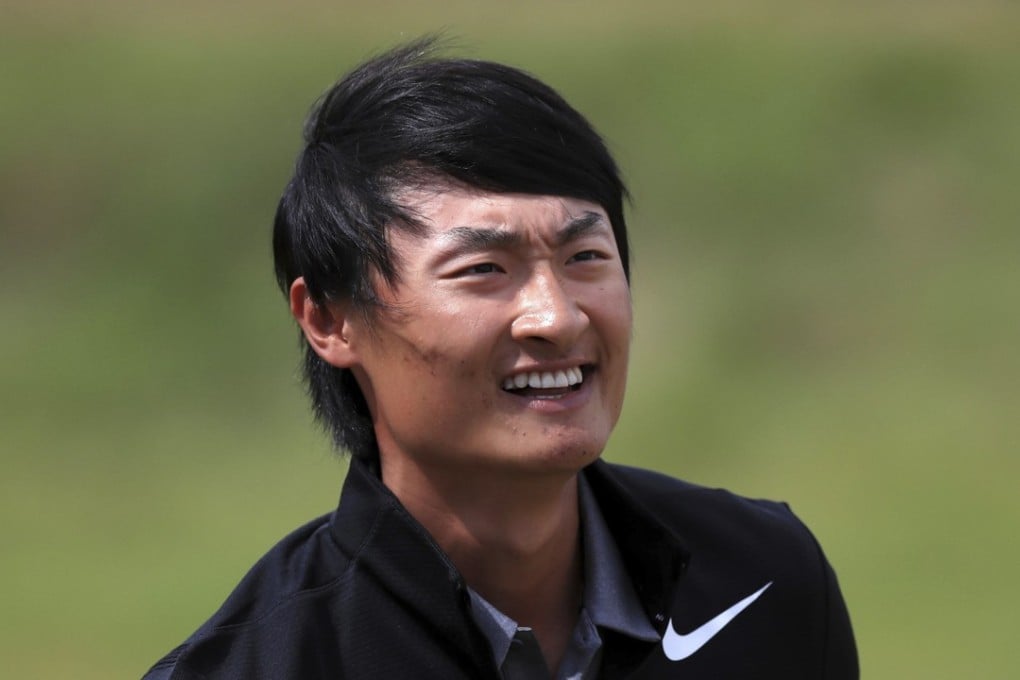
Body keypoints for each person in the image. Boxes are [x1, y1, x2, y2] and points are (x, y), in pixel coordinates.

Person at [143, 38, 858, 679]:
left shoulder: (764, 579)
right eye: (484, 269)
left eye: (585, 257)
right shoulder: (257, 667)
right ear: (329, 320)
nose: (558, 316)